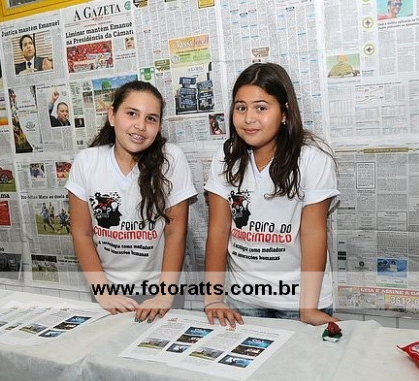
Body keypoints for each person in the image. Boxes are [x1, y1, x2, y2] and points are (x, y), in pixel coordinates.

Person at [203, 63, 340, 327]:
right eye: (241, 107)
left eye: (261, 108)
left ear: (284, 113)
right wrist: (213, 299)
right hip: (242, 299)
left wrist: (308, 308)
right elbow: (218, 230)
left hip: (299, 300)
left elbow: (313, 232)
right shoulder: (226, 157)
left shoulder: (312, 158)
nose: (249, 118)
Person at [66, 81, 196, 322]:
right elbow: (81, 233)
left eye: (151, 118)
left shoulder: (171, 159)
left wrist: (164, 296)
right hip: (108, 292)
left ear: (158, 126)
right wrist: (103, 292)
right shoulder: (87, 161)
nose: (140, 126)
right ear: (112, 116)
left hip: (160, 291)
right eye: (132, 114)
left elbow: (176, 233)